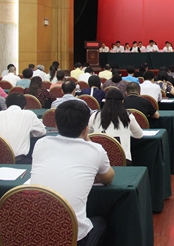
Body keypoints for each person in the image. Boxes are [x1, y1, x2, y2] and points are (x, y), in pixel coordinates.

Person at [31, 100, 115, 246]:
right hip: (73, 238)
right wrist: (88, 140)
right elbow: (108, 179)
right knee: (101, 222)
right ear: (86, 129)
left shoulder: (41, 144)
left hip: (36, 232)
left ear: (56, 125)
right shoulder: (95, 150)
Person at [89, 88, 143, 164]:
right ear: (122, 101)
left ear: (105, 101)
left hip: (98, 160)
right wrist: (127, 133)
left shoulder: (95, 116)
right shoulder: (128, 116)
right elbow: (139, 135)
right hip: (123, 160)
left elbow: (88, 135)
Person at [0, 93, 46, 164]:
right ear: (24, 106)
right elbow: (42, 131)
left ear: (6, 105)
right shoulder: (29, 114)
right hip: (20, 161)